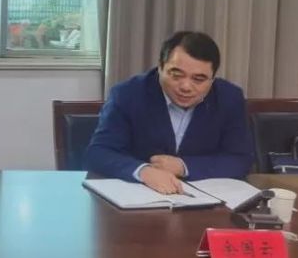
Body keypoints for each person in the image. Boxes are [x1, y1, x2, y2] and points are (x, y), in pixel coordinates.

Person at [84, 30, 253, 194]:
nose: (185, 87)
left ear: (213, 79)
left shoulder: (229, 98)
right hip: (139, 197)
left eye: (198, 79)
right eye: (176, 75)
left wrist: (184, 166)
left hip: (202, 200)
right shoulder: (127, 94)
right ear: (160, 67)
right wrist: (143, 171)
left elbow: (240, 159)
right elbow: (99, 153)